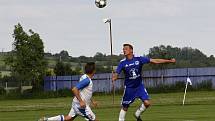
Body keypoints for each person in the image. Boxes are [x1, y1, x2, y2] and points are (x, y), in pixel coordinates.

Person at [112, 44, 176, 121]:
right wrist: (114, 77)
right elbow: (116, 74)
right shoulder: (122, 63)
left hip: (139, 86)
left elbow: (154, 61)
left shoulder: (139, 59)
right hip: (129, 88)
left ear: (131, 50)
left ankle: (137, 114)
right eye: (123, 49)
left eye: (126, 49)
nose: (124, 50)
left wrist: (169, 61)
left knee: (147, 103)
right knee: (125, 107)